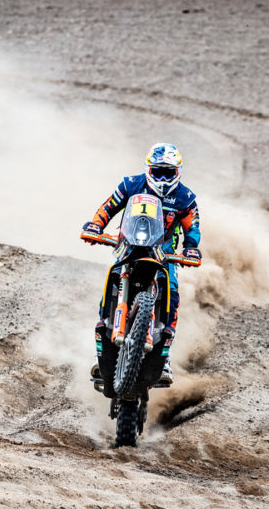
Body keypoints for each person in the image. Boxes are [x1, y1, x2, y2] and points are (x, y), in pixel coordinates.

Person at [80, 142, 201, 385]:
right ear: (149, 169)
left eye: (168, 172)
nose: (163, 178)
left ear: (178, 172)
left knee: (172, 293)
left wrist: (191, 248)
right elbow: (108, 207)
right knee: (111, 284)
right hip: (129, 245)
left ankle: (164, 357)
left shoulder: (185, 198)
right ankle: (101, 348)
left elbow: (193, 227)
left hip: (163, 253)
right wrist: (96, 225)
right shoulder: (130, 184)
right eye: (158, 172)